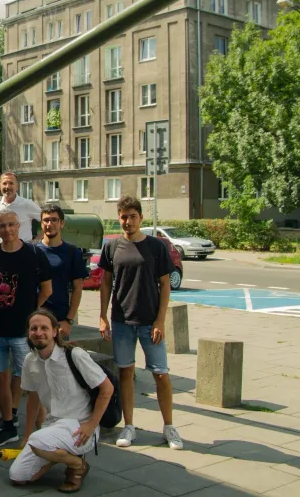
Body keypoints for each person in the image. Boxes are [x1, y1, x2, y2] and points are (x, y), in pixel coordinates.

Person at [98, 195, 184, 451]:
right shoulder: (112, 247)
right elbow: (105, 283)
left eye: (132, 216)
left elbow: (165, 284)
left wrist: (160, 320)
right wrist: (102, 316)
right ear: (119, 219)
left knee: (161, 374)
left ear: (140, 218)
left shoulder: (156, 247)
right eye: (123, 217)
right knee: (125, 372)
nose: (128, 221)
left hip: (150, 322)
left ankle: (169, 427)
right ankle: (130, 425)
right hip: (122, 320)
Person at [10, 309, 114, 493]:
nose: (39, 332)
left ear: (55, 331)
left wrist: (91, 425)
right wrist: (26, 435)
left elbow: (107, 389)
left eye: (44, 328)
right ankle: (55, 453)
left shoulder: (74, 355)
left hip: (80, 427)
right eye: (34, 328)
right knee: (18, 476)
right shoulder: (29, 361)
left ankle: (77, 464)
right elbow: (33, 399)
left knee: (38, 441)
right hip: (52, 426)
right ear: (28, 332)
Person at [0, 210, 52, 448]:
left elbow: (46, 290)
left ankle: (42, 431)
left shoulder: (34, 254)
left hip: (22, 332)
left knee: (29, 379)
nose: (7, 230)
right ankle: (8, 424)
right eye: (2, 226)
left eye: (11, 225)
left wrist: (30, 313)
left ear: (19, 226)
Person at [36, 205, 87, 339]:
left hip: (59, 320)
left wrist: (69, 320)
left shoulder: (72, 252)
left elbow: (77, 288)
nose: (49, 224)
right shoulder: (32, 250)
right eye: (46, 220)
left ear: (62, 223)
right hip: (35, 318)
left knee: (59, 359)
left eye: (54, 220)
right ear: (41, 224)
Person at [0, 172, 41, 243]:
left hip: (24, 251)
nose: (7, 187)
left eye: (11, 183)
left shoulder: (27, 204)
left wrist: (37, 241)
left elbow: (48, 219)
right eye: (4, 183)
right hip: (3, 250)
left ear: (17, 186)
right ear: (0, 186)